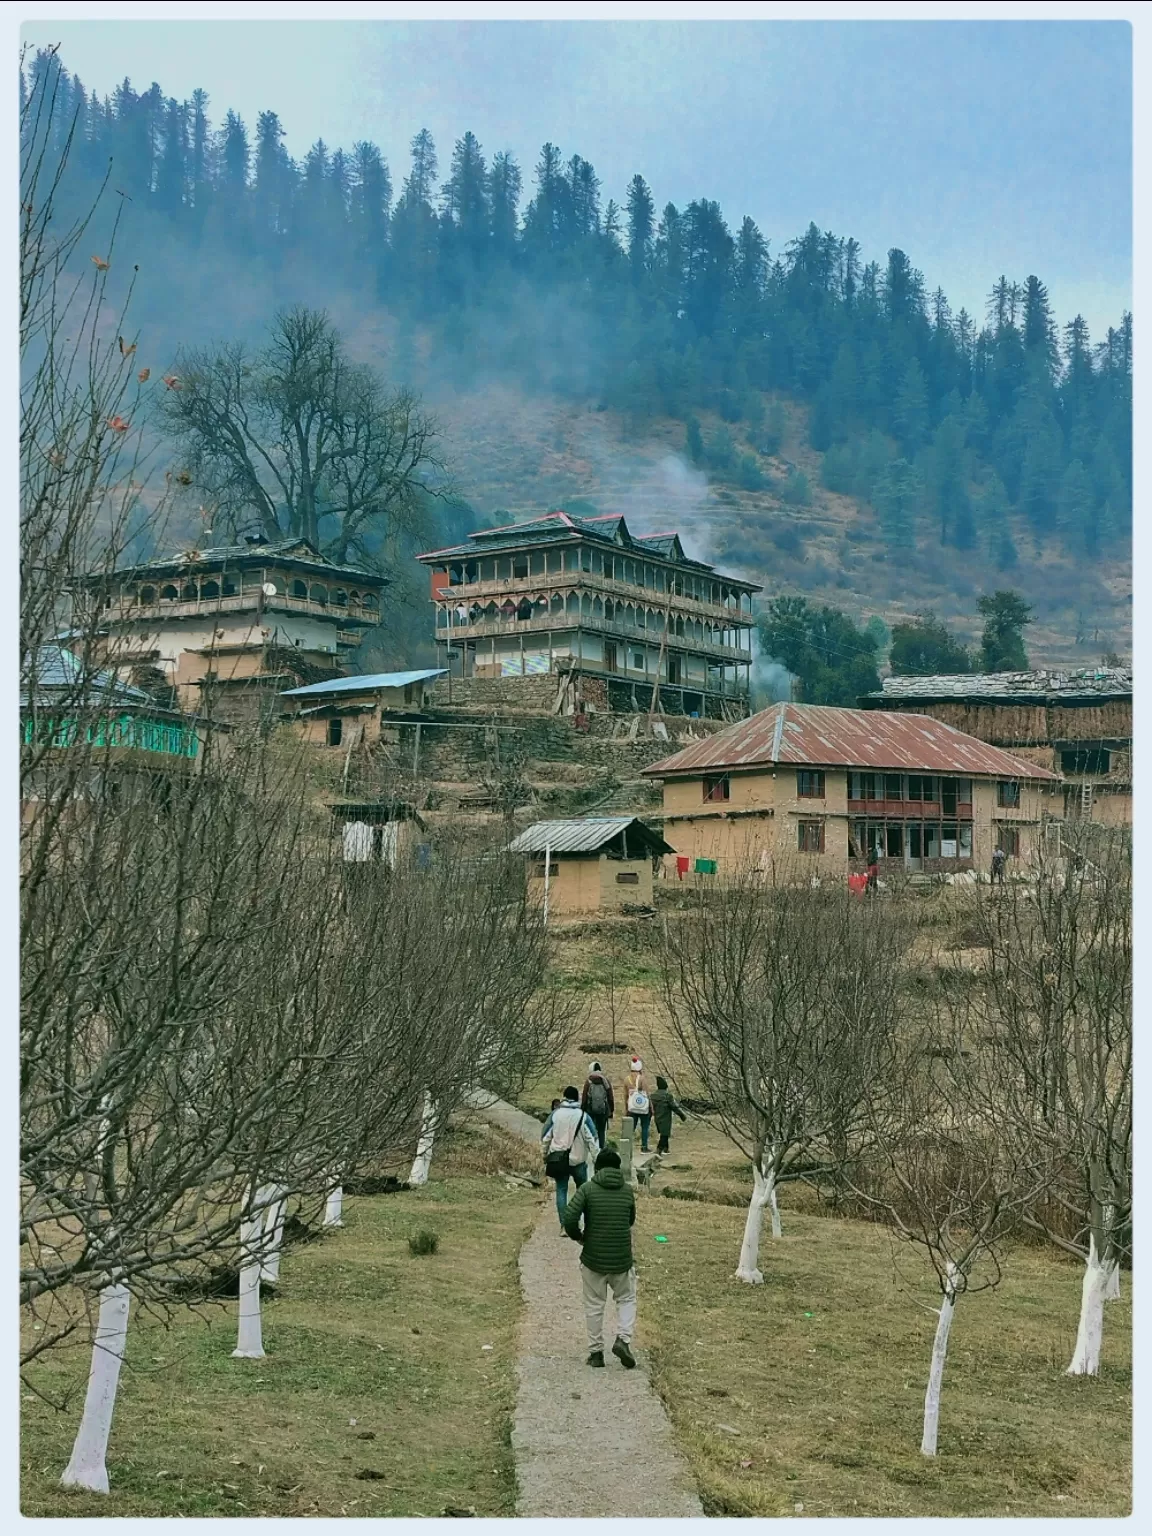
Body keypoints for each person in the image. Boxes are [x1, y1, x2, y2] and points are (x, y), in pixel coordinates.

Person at [561, 1146, 637, 1369]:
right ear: (618, 1167)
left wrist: (580, 1238)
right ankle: (623, 1339)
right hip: (622, 1259)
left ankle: (596, 1354)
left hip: (593, 1258)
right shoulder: (627, 1191)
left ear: (598, 1167)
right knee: (626, 1298)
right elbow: (630, 1220)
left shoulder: (587, 1189)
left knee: (594, 1304)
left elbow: (570, 1218)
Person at [541, 1088, 599, 1227]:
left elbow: (546, 1137)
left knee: (561, 1191)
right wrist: (596, 1158)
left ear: (564, 1097)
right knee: (582, 1192)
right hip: (578, 1160)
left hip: (558, 1160)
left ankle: (564, 1225)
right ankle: (582, 1222)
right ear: (577, 1099)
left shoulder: (555, 1115)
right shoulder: (583, 1116)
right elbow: (593, 1138)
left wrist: (544, 1155)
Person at [581, 1061, 615, 1148]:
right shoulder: (605, 1081)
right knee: (601, 1131)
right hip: (603, 1111)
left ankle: (593, 1147)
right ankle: (601, 1148)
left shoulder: (588, 1081)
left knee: (592, 1129)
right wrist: (611, 1110)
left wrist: (583, 1109)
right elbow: (610, 1096)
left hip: (590, 1110)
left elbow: (584, 1097)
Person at [650, 1076, 686, 1156]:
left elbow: (650, 1107)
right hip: (665, 1118)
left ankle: (666, 1149)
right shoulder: (668, 1096)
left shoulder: (653, 1096)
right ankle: (659, 1149)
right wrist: (682, 1115)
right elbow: (674, 1107)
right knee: (665, 1134)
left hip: (657, 1118)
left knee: (664, 1133)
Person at [624, 1057, 652, 1152]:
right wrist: (651, 1108)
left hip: (631, 1107)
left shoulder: (626, 1079)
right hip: (642, 1107)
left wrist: (626, 1108)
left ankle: (627, 1147)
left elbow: (625, 1096)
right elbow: (646, 1094)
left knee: (630, 1128)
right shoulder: (642, 1079)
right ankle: (644, 1147)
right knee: (644, 1127)